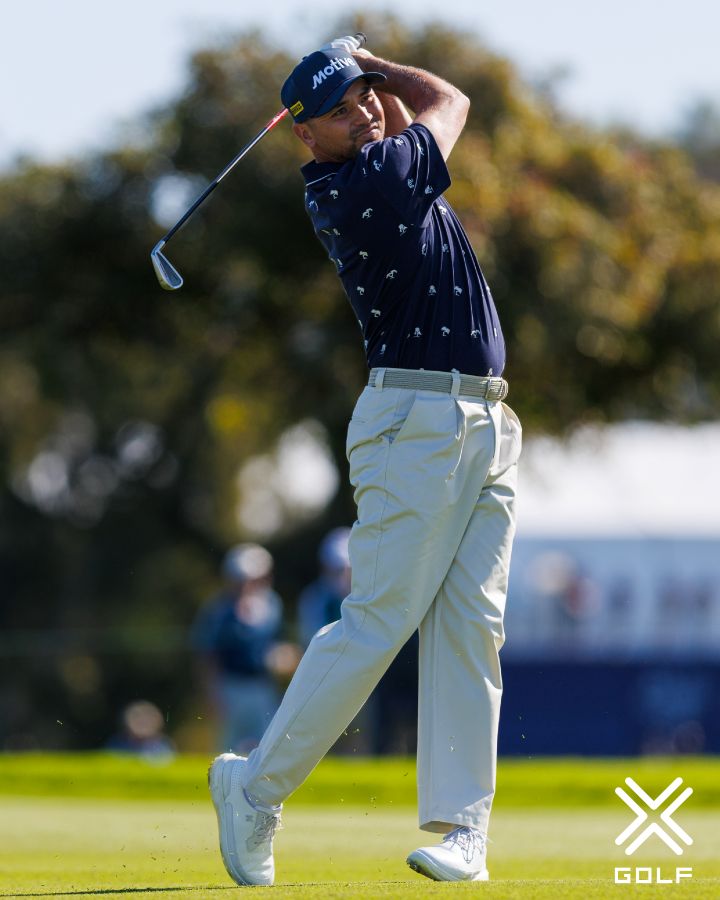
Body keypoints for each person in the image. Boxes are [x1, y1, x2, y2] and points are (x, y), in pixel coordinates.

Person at [208, 34, 522, 886]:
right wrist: (379, 61)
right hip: (415, 423)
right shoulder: (363, 185)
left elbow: (421, 114)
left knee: (473, 626)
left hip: (486, 421)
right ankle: (255, 790)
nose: (365, 114)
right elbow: (451, 101)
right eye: (342, 110)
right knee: (379, 621)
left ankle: (463, 829)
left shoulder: (389, 163)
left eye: (367, 98)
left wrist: (370, 77)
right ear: (305, 134)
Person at [192, 543, 299, 754]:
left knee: (266, 748)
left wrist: (283, 660)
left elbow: (282, 646)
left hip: (263, 687)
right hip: (230, 687)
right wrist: (212, 693)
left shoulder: (273, 605)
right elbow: (208, 655)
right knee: (227, 749)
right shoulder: (219, 610)